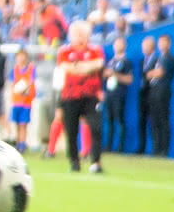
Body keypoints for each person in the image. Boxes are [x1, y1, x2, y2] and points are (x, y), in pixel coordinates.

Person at [56, 21, 106, 173]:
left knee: (96, 127)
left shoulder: (95, 50)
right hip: (70, 96)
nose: (79, 37)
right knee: (71, 130)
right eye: (77, 33)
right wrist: (86, 67)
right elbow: (66, 67)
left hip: (91, 95)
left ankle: (95, 161)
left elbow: (98, 64)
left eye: (82, 33)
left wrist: (78, 67)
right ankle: (74, 161)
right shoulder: (64, 51)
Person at [103, 36, 135, 154]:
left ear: (124, 46)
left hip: (119, 94)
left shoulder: (126, 62)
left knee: (119, 120)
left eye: (120, 44)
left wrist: (115, 75)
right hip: (109, 94)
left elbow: (129, 79)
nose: (117, 46)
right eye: (116, 44)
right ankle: (108, 146)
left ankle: (120, 147)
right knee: (109, 120)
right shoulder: (110, 62)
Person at [147, 35, 174, 156]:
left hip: (163, 92)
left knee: (163, 120)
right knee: (154, 120)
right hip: (154, 91)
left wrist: (153, 73)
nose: (161, 44)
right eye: (159, 42)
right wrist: (153, 73)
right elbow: (149, 74)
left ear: (169, 43)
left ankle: (164, 149)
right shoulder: (159, 58)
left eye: (163, 42)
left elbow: (159, 73)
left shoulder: (170, 58)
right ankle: (156, 148)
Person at [7, 49, 37, 151]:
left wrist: (24, 88)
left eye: (22, 56)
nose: (20, 58)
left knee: (23, 123)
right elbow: (12, 84)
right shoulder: (14, 69)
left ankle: (22, 144)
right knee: (16, 123)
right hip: (16, 101)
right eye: (19, 56)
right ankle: (17, 141)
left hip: (26, 102)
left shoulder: (30, 69)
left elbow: (30, 82)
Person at [135, 36, 156, 153]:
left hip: (152, 93)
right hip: (142, 93)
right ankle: (141, 147)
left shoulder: (157, 60)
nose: (143, 48)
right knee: (141, 121)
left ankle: (155, 148)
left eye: (146, 46)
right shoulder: (142, 61)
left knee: (153, 121)